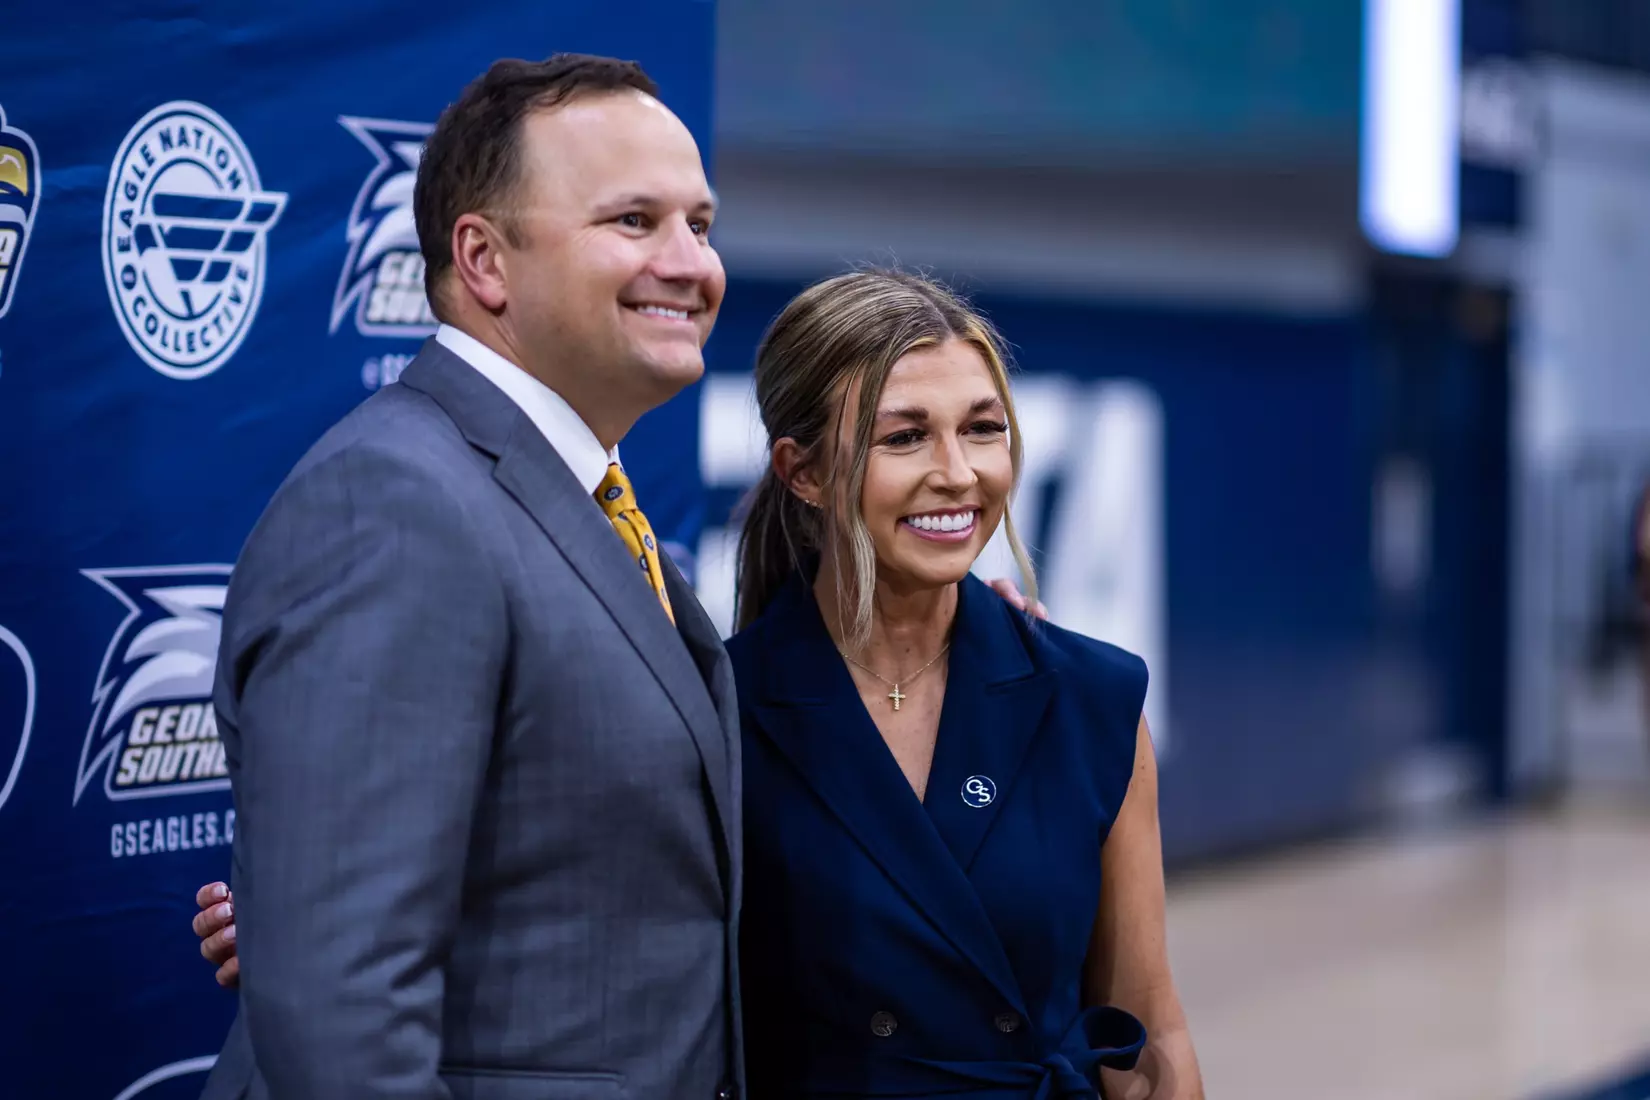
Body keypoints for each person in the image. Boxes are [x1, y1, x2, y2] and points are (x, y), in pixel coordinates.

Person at [190, 53, 1042, 1100]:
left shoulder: (577, 501)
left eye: (702, 222)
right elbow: (341, 1001)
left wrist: (952, 640)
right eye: (634, 221)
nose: (692, 262)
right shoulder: (394, 505)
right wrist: (301, 914)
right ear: (485, 260)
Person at [196, 268, 1203, 1097]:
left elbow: (1151, 1023)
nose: (959, 471)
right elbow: (569, 908)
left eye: (983, 427)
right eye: (905, 436)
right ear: (802, 472)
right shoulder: (716, 706)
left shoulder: (1089, 699)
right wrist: (313, 908)